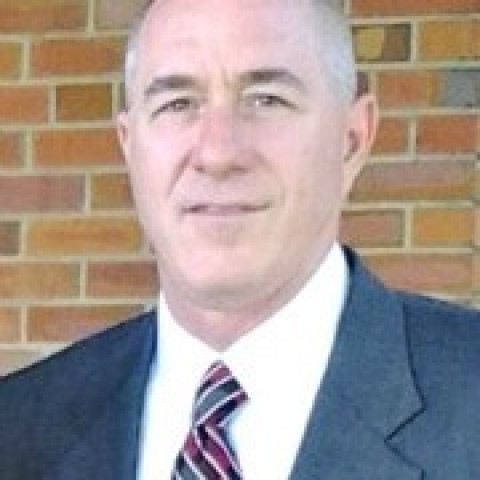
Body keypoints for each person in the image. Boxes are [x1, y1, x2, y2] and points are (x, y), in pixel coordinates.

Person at [0, 0, 479, 478]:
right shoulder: (19, 426)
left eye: (266, 99)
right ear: (130, 146)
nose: (218, 153)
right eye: (177, 104)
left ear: (351, 139)